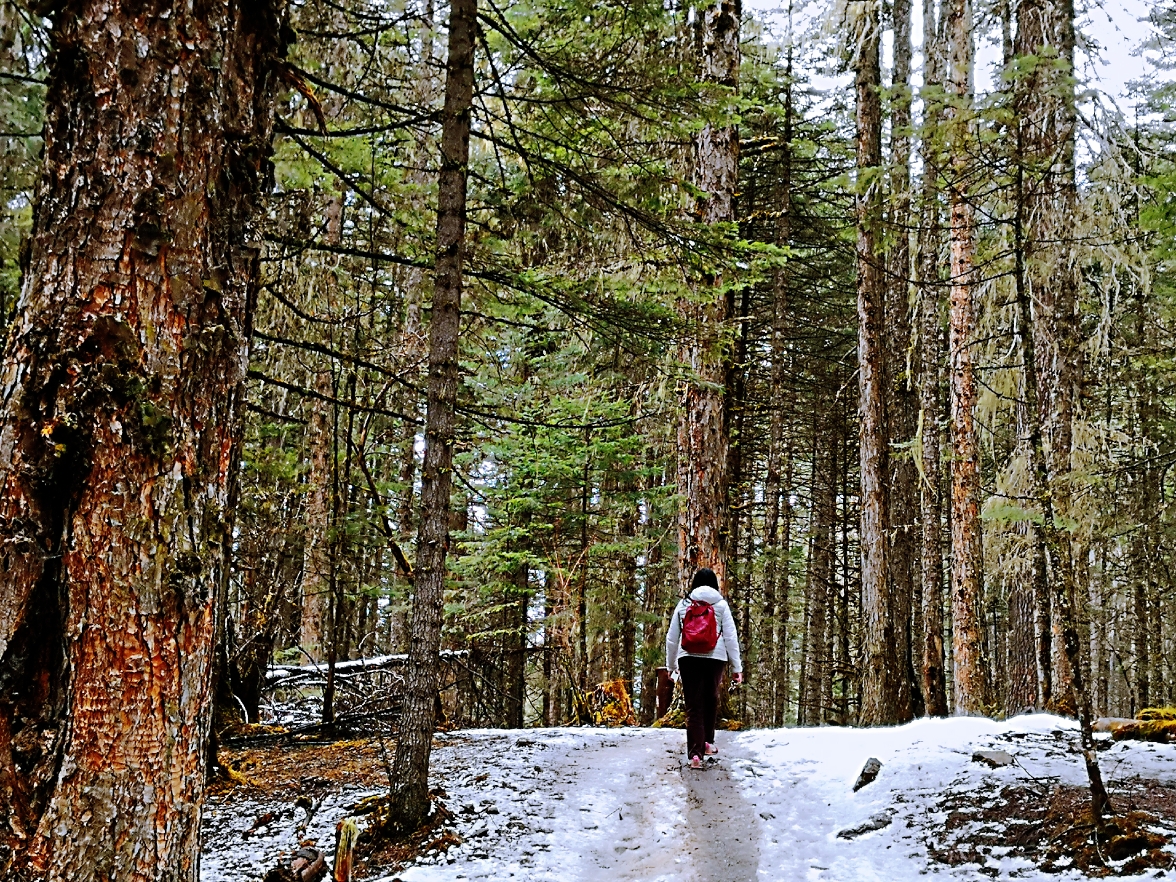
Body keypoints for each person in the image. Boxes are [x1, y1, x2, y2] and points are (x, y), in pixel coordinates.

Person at [665, 567, 743, 769]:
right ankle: (707, 742)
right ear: (715, 585)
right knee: (710, 700)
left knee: (693, 706)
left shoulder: (684, 604)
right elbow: (730, 638)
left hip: (688, 657)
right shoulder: (721, 605)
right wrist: (737, 667)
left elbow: (672, 639)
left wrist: (671, 665)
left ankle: (695, 755)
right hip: (715, 658)